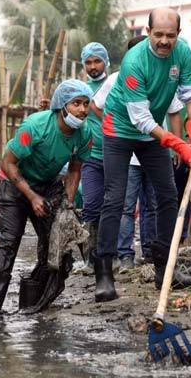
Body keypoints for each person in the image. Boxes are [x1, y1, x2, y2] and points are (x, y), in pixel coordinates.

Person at [96, 8, 191, 301]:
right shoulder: (134, 61)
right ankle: (104, 273)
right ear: (147, 32)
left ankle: (164, 269)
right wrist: (177, 143)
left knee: (168, 195)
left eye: (170, 35)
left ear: (178, 35)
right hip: (120, 130)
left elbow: (189, 96)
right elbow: (141, 119)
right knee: (115, 197)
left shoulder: (181, 53)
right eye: (158, 34)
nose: (164, 41)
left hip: (150, 134)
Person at [0, 80, 93, 318]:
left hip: (49, 185)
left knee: (56, 245)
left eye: (86, 104)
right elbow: (8, 163)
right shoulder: (35, 126)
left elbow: (74, 170)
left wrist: (68, 206)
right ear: (61, 106)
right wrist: (31, 197)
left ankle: (34, 307)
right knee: (8, 244)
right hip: (14, 184)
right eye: (76, 104)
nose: (82, 110)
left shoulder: (85, 134)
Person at [79, 42, 110, 274]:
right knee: (91, 205)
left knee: (114, 206)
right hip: (90, 156)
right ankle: (90, 260)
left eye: (97, 61)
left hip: (116, 154)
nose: (93, 66)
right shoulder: (79, 90)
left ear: (105, 62)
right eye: (88, 62)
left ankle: (111, 256)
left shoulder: (115, 84)